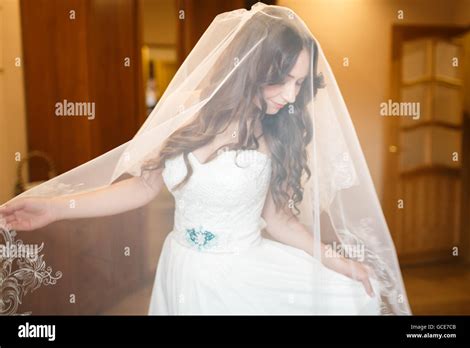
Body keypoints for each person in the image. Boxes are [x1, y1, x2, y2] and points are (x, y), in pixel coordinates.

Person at [0, 3, 411, 315]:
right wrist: (54, 209)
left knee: (349, 298)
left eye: (299, 83)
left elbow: (280, 220)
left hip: (241, 276)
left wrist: (342, 262)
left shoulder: (277, 132)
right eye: (282, 79)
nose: (290, 95)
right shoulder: (188, 115)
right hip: (180, 267)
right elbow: (142, 186)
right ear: (251, 67)